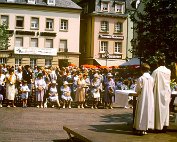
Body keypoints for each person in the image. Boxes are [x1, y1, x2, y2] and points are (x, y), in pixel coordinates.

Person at [152, 54, 171, 132]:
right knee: (166, 109)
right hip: (166, 91)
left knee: (158, 109)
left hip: (159, 92)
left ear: (157, 63)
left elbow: (152, 82)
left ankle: (158, 126)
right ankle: (165, 125)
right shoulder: (168, 71)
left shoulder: (156, 71)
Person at [133, 63, 154, 135]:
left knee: (141, 111)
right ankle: (146, 128)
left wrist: (138, 91)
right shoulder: (151, 78)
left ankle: (141, 128)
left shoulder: (141, 78)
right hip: (150, 97)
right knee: (148, 111)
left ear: (141, 70)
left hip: (143, 97)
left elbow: (138, 89)